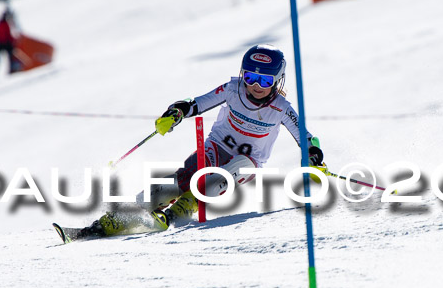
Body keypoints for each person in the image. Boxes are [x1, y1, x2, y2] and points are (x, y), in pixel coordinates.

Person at [79, 44, 324, 237]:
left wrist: (314, 157)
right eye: (250, 78)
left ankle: (177, 213)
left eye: (266, 81)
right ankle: (123, 215)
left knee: (231, 168)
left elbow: (306, 137)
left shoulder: (281, 107)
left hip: (249, 163)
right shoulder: (232, 89)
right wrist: (175, 113)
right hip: (216, 146)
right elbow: (195, 103)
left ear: (277, 81)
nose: (256, 87)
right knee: (185, 177)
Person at [0, 10, 16, 77]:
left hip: (4, 44)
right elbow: (0, 35)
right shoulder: (2, 24)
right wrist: (5, 41)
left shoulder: (4, 24)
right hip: (3, 44)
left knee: (9, 58)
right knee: (0, 59)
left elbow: (7, 35)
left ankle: (10, 71)